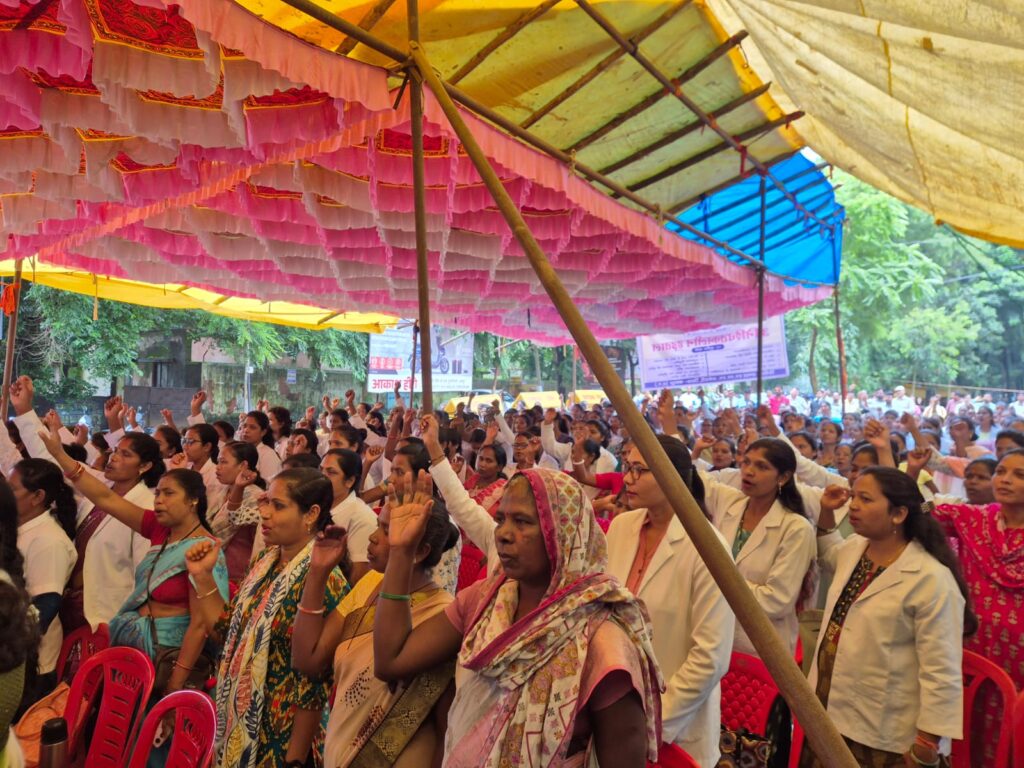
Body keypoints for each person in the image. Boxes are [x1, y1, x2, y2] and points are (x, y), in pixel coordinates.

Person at [371, 467, 662, 767]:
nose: (504, 534)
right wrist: (402, 552)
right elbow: (392, 660)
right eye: (501, 520)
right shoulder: (485, 601)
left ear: (563, 531)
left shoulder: (603, 643)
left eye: (522, 521)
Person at [39, 422, 228, 695]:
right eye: (158, 493)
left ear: (193, 500)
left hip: (170, 659)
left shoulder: (205, 549)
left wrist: (175, 683)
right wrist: (59, 454)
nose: (158, 500)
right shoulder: (158, 529)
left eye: (169, 494)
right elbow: (105, 497)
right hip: (136, 652)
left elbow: (201, 626)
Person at [804, 469, 972, 768]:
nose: (853, 505)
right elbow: (830, 554)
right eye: (854, 496)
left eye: (866, 499)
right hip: (829, 709)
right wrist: (827, 512)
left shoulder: (930, 579)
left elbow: (941, 671)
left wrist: (927, 743)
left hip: (884, 729)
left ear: (898, 514)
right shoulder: (856, 549)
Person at [185, 468, 349, 768]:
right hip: (243, 723)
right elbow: (226, 633)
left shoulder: (324, 580)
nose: (264, 513)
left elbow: (314, 682)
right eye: (265, 502)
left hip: (283, 737)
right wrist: (204, 577)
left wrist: (294, 759)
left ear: (311, 514)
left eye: (278, 505)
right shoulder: (265, 562)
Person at [291, 505, 460, 768]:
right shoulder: (370, 583)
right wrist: (318, 572)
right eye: (378, 526)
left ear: (420, 551)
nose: (372, 537)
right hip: (338, 753)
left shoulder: (442, 615)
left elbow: (445, 730)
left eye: (387, 530)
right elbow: (307, 661)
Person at [609, 435, 734, 766]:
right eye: (627, 467)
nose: (628, 478)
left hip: (676, 721)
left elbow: (711, 656)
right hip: (616, 705)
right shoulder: (622, 527)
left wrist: (655, 720)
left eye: (639, 470)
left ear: (671, 477)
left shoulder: (707, 546)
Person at [9, 379, 155, 633]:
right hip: (76, 608)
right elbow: (55, 463)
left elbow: (145, 579)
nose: (113, 457)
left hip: (112, 617)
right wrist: (24, 411)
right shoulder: (101, 488)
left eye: (125, 455)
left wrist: (128, 625)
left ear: (145, 466)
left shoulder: (146, 507)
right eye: (115, 451)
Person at [927, 448, 1024, 765]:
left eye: (1019, 475)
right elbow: (915, 512)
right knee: (971, 734)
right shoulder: (973, 518)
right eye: (1001, 472)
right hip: (973, 647)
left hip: (1019, 658)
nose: (1005, 479)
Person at [8, 460, 77, 702]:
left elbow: (45, 607)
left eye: (12, 488)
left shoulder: (48, 541)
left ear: (37, 496)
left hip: (28, 664)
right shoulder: (19, 527)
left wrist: (8, 643)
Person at [320, 449, 377, 584]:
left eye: (331, 472)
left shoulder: (362, 517)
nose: (322, 477)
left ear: (350, 481)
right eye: (321, 470)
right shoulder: (316, 504)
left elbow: (357, 578)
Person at [209, 441, 264, 582]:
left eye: (223, 462)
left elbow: (258, 543)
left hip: (237, 576)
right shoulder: (221, 491)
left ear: (243, 466)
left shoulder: (256, 498)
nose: (217, 467)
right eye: (218, 462)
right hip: (214, 567)